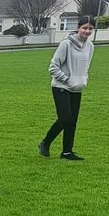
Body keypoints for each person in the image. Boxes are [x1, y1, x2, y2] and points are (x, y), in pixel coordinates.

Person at [38, 15, 95, 161]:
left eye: (90, 28)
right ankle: (45, 143)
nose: (87, 31)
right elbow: (53, 67)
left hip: (77, 87)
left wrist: (84, 79)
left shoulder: (90, 46)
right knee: (65, 118)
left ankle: (67, 152)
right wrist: (67, 80)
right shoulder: (66, 44)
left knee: (72, 121)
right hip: (61, 86)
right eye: (84, 28)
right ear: (78, 28)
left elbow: (86, 66)